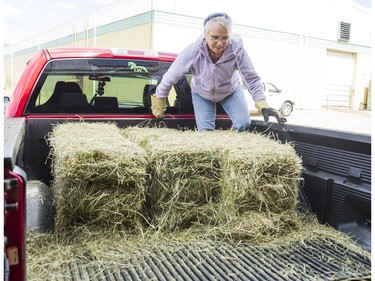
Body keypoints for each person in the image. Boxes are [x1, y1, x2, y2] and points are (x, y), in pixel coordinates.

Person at [151, 12, 286, 131]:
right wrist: (160, 98)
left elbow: (250, 78)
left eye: (225, 38)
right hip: (202, 93)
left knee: (243, 124)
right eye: (215, 37)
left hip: (230, 91)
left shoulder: (236, 50)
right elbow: (171, 76)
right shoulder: (193, 51)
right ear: (205, 34)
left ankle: (228, 153)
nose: (220, 43)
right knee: (205, 132)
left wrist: (262, 103)